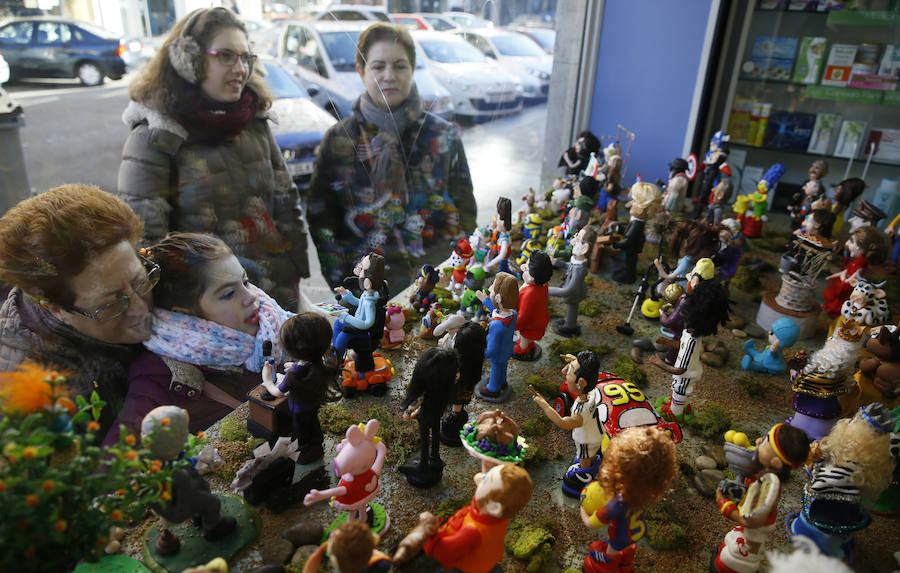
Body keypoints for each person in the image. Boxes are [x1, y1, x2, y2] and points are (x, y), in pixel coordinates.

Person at [116, 6, 310, 310]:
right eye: (225, 56)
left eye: (245, 57)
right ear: (189, 60)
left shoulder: (254, 119)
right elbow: (145, 246)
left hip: (277, 296)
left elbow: (285, 201)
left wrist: (297, 273)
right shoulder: (156, 136)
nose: (240, 69)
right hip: (212, 314)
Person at [306, 23, 475, 289]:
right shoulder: (339, 140)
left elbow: (465, 209)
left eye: (399, 65)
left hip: (436, 285)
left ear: (412, 69)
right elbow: (322, 221)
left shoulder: (443, 135)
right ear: (361, 72)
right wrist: (346, 284)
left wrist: (451, 271)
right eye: (378, 66)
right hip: (367, 292)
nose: (389, 75)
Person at [104, 233, 294, 445]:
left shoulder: (274, 328)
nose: (251, 297)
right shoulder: (156, 385)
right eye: (229, 293)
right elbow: (117, 465)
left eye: (245, 282)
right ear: (187, 316)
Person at [0, 184, 154, 438]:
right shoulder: (33, 401)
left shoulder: (125, 266)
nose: (141, 309)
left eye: (140, 281)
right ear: (54, 308)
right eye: (111, 303)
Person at [261, 312, 341, 464]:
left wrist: (267, 380)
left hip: (299, 410)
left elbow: (277, 392)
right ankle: (317, 443)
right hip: (314, 404)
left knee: (299, 432)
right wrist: (296, 366)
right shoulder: (319, 364)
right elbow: (306, 366)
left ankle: (302, 452)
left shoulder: (293, 376)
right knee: (313, 424)